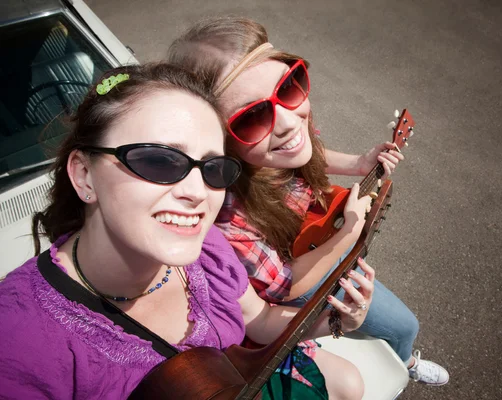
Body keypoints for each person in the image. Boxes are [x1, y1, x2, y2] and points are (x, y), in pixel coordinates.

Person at [0, 63, 377, 400]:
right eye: (160, 160)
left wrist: (335, 321)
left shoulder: (208, 246)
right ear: (84, 175)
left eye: (214, 169)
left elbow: (259, 321)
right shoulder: (18, 339)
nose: (198, 193)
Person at [168, 17, 449, 386]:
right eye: (252, 117)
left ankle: (401, 358)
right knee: (403, 325)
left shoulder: (277, 143)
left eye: (289, 86)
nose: (287, 121)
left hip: (315, 241)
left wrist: (358, 164)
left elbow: (305, 154)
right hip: (303, 273)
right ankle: (405, 361)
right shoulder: (226, 214)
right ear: (217, 140)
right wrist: (348, 233)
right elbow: (285, 286)